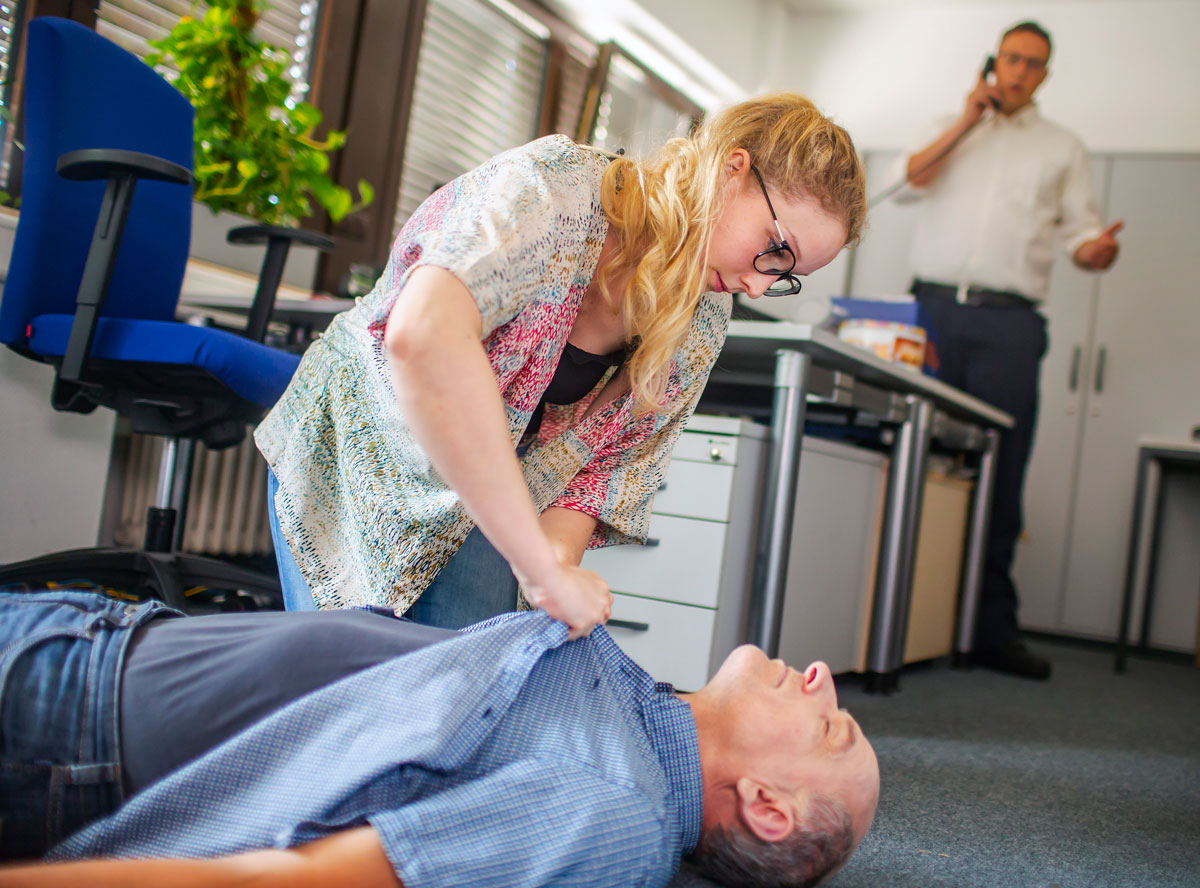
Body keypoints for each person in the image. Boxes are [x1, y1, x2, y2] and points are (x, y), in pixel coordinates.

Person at [255, 92, 867, 634]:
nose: (761, 287)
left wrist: (554, 579)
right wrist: (539, 568)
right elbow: (424, 336)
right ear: (734, 171)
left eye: (786, 277)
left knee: (466, 698)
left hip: (480, 490)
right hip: (359, 457)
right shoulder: (553, 192)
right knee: (349, 700)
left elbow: (604, 473)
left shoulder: (704, 314)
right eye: (773, 250)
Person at [0, 588, 880, 887]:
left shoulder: (615, 819)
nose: (820, 679)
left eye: (830, 727)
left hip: (62, 725)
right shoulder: (640, 720)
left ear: (766, 806)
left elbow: (291, 881)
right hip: (88, 644)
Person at [895, 21, 1123, 680]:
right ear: (995, 62)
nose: (1020, 71)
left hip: (1008, 323)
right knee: (908, 455)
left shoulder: (1063, 148)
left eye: (1033, 64)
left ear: (1045, 76)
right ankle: (901, 615)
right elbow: (909, 181)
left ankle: (991, 629)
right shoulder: (953, 122)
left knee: (1000, 470)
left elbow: (1082, 235)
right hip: (932, 311)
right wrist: (967, 119)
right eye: (1012, 59)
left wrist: (1096, 251)